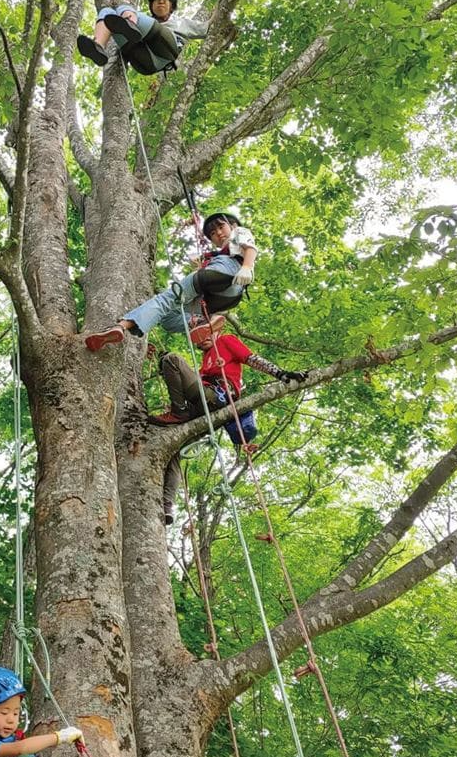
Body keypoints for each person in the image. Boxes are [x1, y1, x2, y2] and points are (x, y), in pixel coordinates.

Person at [152, 331, 308, 524]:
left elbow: (252, 359)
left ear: (213, 330)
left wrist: (280, 373)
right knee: (175, 449)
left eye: (205, 334)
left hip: (217, 396)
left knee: (172, 359)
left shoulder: (225, 341)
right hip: (205, 406)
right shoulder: (204, 361)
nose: (203, 340)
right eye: (198, 341)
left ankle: (178, 411)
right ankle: (167, 505)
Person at [85, 210, 256, 352]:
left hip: (230, 271)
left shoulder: (238, 232)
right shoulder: (215, 256)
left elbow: (250, 247)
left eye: (221, 227)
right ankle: (201, 321)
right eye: (213, 233)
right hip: (224, 297)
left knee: (165, 299)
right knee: (168, 317)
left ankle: (121, 326)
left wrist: (247, 267)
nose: (218, 233)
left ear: (232, 225)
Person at [77, 0, 206, 75]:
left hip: (165, 50)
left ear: (172, 5)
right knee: (106, 12)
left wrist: (222, 8)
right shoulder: (145, 19)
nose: (160, 1)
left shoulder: (182, 22)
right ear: (151, 5)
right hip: (145, 61)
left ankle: (130, 25)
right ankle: (98, 46)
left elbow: (207, 28)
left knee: (123, 8)